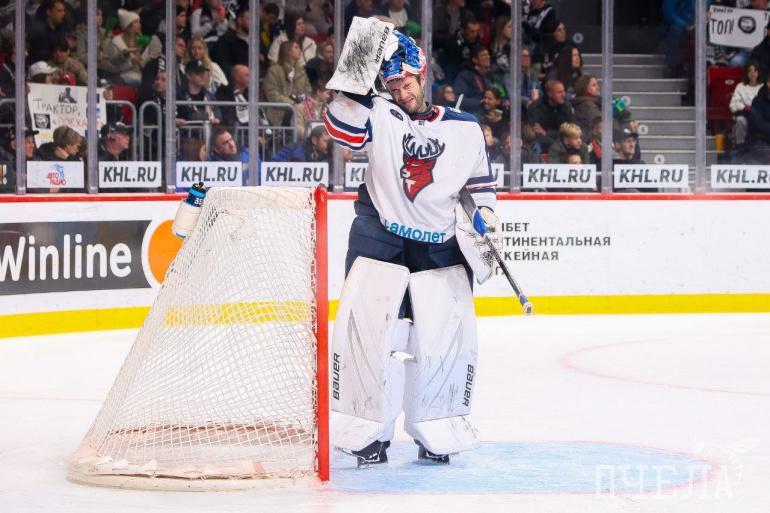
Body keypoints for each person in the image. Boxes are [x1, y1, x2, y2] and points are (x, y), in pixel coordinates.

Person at [324, 24, 497, 467]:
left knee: (438, 341)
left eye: (407, 84)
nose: (402, 94)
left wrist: (486, 219)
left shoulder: (465, 128)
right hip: (380, 236)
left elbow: (480, 189)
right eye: (393, 86)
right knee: (371, 336)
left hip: (440, 246)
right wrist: (363, 50)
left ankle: (436, 428)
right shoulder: (379, 113)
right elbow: (341, 129)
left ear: (424, 77)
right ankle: (367, 432)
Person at [527, 79, 576, 151]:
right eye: (559, 92)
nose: (563, 95)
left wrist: (547, 132)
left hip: (563, 141)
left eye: (563, 91)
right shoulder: (535, 107)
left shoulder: (566, 106)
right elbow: (535, 132)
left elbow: (570, 131)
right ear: (550, 94)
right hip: (543, 143)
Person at [453, 45, 493, 117]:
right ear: (475, 60)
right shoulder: (465, 76)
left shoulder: (488, 76)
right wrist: (479, 103)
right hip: (470, 115)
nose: (488, 57)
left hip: (485, 113)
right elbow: (458, 99)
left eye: (488, 54)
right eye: (483, 55)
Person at [729, 60, 763, 147]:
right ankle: (740, 147)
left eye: (755, 71)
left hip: (761, 117)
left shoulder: (763, 87)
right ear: (746, 73)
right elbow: (733, 105)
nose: (752, 73)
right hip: (745, 116)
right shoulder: (740, 87)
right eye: (750, 71)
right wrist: (744, 107)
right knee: (740, 120)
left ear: (758, 72)